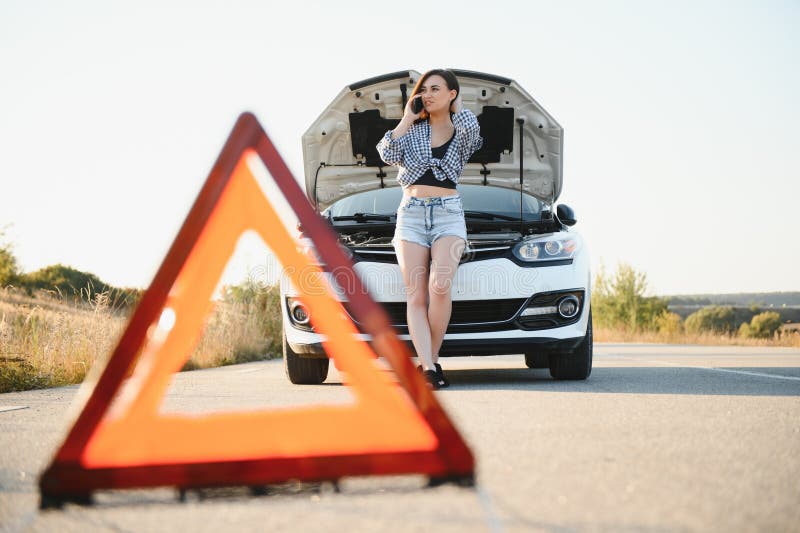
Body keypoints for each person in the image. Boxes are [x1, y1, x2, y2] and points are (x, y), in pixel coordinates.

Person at [376, 69, 483, 390]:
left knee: (440, 286)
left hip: (448, 213)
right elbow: (386, 152)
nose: (427, 94)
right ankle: (429, 367)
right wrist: (407, 118)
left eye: (436, 89)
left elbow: (473, 133)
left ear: (452, 94)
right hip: (411, 214)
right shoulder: (412, 131)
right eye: (423, 90)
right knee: (416, 293)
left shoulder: (462, 128)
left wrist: (458, 105)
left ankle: (429, 361)